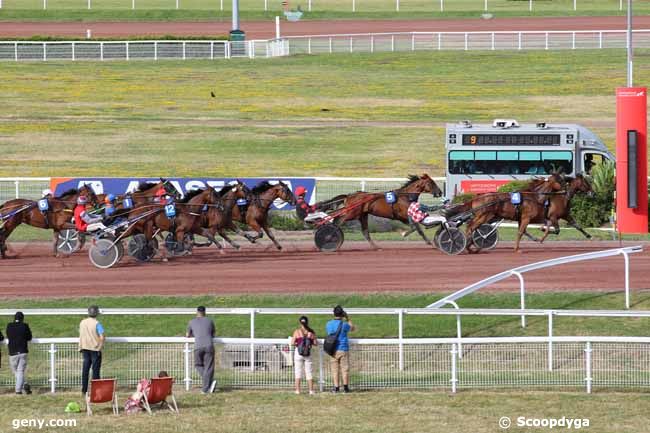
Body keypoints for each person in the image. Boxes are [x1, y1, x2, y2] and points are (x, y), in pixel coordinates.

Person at [325, 305, 355, 393]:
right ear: (342, 314)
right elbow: (353, 328)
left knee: (335, 370)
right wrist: (347, 318)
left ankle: (336, 387)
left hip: (333, 349)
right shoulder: (344, 325)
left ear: (333, 313)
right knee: (344, 369)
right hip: (343, 349)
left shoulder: (328, 324)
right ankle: (345, 387)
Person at [186, 306, 216, 394]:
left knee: (198, 365)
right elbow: (213, 334)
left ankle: (206, 388)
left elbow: (187, 335)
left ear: (197, 312)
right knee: (209, 367)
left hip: (198, 346)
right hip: (209, 346)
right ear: (205, 312)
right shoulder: (210, 321)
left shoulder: (191, 322)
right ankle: (209, 383)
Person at [79, 305, 105, 395]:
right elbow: (102, 336)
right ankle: (96, 391)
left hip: (85, 348)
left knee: (85, 370)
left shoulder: (82, 322)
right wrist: (100, 347)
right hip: (95, 349)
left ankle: (84, 390)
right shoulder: (97, 323)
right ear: (96, 313)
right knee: (96, 371)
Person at [6, 312, 33, 395]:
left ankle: (18, 390)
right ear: (22, 319)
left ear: (14, 318)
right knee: (20, 371)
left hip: (12, 352)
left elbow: (8, 335)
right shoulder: (25, 325)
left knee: (16, 372)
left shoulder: (9, 325)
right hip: (22, 351)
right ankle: (24, 385)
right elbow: (29, 337)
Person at [291, 316, 317, 395]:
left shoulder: (297, 331)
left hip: (298, 353)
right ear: (307, 322)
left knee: (298, 372)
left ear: (300, 323)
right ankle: (311, 390)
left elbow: (292, 343)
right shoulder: (311, 332)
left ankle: (298, 390)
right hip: (307, 354)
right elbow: (315, 343)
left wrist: (297, 343)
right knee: (309, 372)